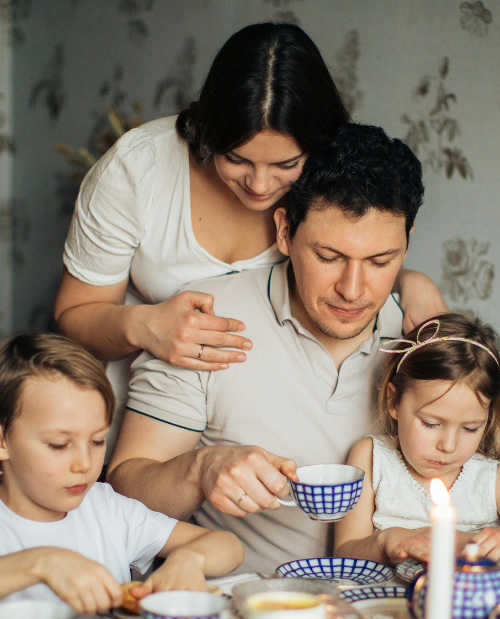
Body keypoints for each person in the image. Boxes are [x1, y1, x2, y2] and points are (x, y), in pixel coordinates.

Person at [54, 22, 446, 454]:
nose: (260, 185)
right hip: (136, 417)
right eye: (236, 158)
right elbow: (75, 313)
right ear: (208, 132)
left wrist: (411, 282)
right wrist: (143, 325)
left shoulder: (319, 177)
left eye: (284, 164)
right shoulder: (138, 170)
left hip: (249, 424)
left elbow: (351, 245)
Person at [107, 123, 427, 574]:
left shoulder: (422, 341)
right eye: (328, 257)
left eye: (379, 261)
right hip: (244, 608)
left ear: (408, 240)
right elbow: (123, 494)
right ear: (284, 232)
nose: (353, 290)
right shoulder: (205, 320)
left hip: (390, 612)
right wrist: (201, 469)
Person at [0, 333, 244, 612]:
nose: (84, 463)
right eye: (59, 445)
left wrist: (191, 558)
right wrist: (40, 563)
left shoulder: (106, 509)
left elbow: (229, 546)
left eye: (97, 441)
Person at [334, 312, 500, 565]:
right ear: (394, 400)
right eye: (431, 423)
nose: (448, 446)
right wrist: (384, 541)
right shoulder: (371, 458)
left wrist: (467, 540)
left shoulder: (490, 478)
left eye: (470, 429)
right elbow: (344, 553)